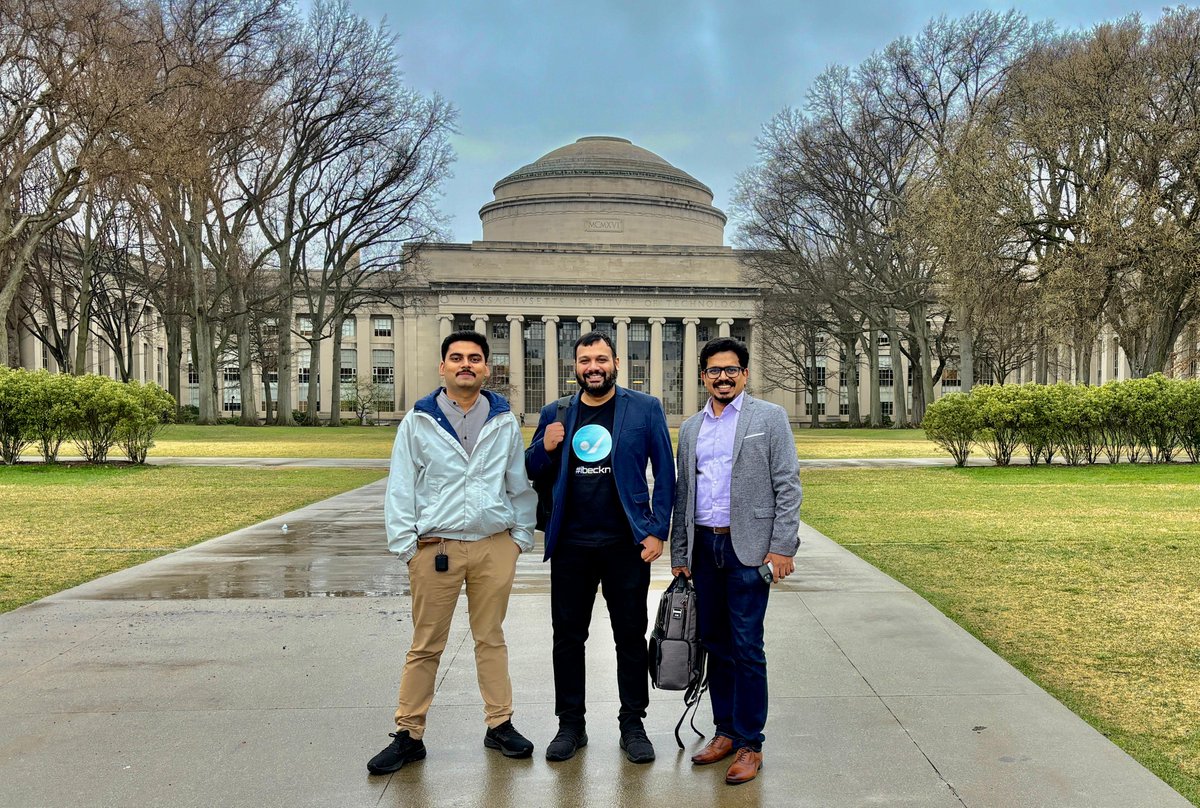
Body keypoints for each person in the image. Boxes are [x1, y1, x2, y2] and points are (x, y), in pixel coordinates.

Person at [369, 330, 538, 774]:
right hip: (435, 548)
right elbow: (401, 486)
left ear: (486, 368)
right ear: (442, 366)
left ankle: (499, 724)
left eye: (475, 358)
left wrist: (519, 539)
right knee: (426, 645)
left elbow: (517, 482)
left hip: (492, 547)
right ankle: (409, 734)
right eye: (457, 358)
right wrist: (407, 547)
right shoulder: (418, 420)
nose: (467, 364)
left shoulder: (503, 419)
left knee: (491, 639)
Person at [526, 330, 675, 764]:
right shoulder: (557, 411)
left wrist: (656, 530)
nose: (594, 367)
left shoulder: (644, 408)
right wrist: (545, 445)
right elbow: (531, 469)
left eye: (601, 359)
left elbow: (665, 474)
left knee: (630, 637)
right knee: (568, 638)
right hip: (571, 544)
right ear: (575, 367)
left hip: (625, 544)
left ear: (615, 364)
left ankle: (633, 723)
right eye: (585, 360)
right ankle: (570, 724)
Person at [670, 337, 802, 785]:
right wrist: (681, 553)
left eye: (731, 370)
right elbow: (683, 494)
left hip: (748, 549)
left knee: (747, 646)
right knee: (714, 645)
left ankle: (750, 743)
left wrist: (783, 546)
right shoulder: (691, 428)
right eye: (713, 370)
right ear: (703, 376)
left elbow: (788, 484)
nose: (722, 377)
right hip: (704, 549)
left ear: (744, 375)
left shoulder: (770, 417)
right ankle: (724, 731)